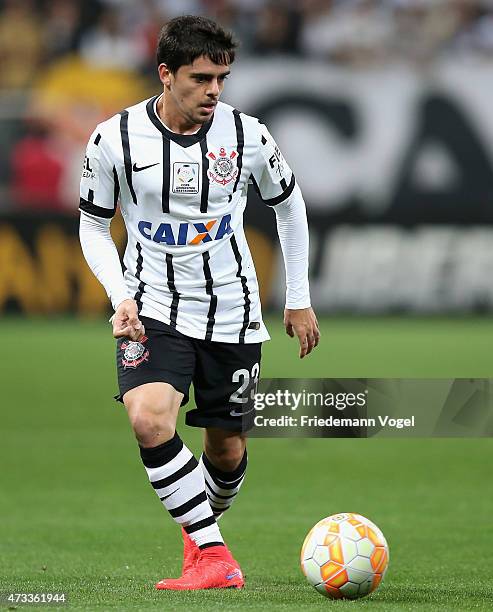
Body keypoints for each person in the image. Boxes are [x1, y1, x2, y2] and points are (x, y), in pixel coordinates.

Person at [79, 14, 319, 591]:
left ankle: (200, 537)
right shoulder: (114, 139)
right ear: (166, 74)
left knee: (227, 451)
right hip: (151, 306)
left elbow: (290, 208)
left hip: (233, 309)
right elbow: (92, 225)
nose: (214, 90)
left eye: (222, 78)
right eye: (200, 78)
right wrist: (121, 296)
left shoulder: (247, 136)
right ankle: (214, 556)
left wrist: (299, 298)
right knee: (148, 418)